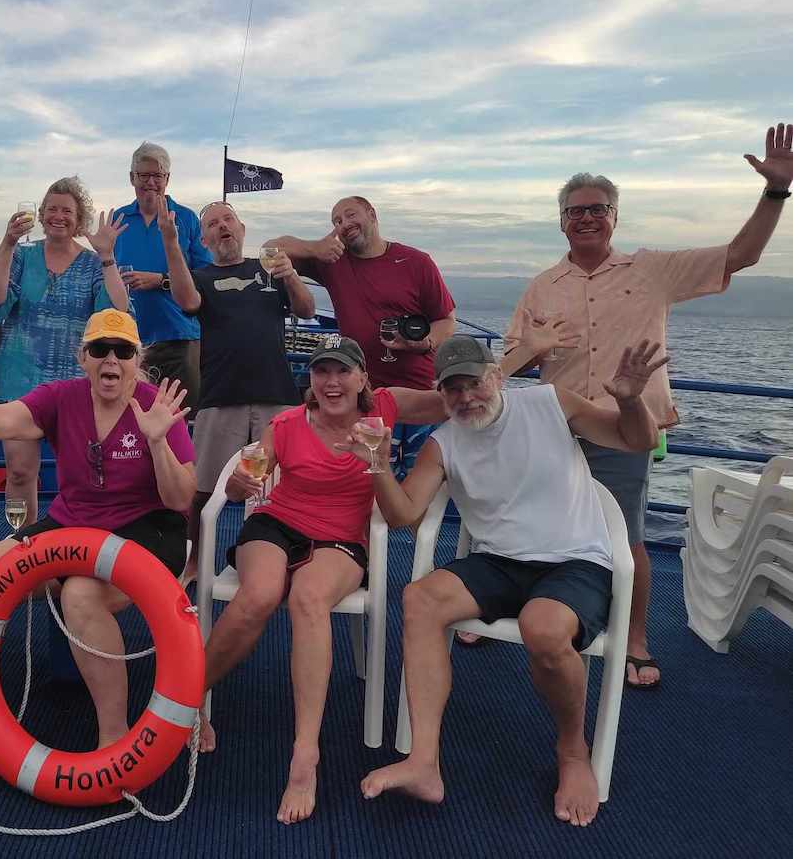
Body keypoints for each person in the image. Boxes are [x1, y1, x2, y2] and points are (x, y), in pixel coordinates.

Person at [498, 122, 792, 689]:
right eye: (576, 210)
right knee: (538, 524)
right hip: (557, 428)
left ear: (614, 217)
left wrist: (775, 190)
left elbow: (741, 254)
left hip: (623, 430)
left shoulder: (653, 269)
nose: (587, 217)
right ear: (561, 221)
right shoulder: (542, 285)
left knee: (625, 535)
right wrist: (532, 351)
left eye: (598, 209)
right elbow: (515, 362)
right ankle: (527, 613)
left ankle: (634, 639)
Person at [359, 334, 666, 827]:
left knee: (541, 628)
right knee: (419, 599)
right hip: (500, 561)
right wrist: (376, 461)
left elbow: (637, 440)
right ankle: (424, 761)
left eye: (474, 382)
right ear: (441, 392)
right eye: (452, 388)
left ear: (497, 376)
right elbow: (405, 516)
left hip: (574, 558)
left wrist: (630, 400)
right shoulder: (444, 442)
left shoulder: (549, 404)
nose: (466, 397)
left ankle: (572, 751)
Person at [0, 309, 195, 793]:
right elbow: (2, 418)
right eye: (100, 350)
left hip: (145, 529)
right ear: (83, 358)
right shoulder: (61, 398)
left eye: (123, 351)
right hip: (71, 524)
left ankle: (112, 740)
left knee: (80, 594)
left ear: (138, 360)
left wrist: (157, 442)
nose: (110, 360)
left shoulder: (155, 407)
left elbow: (181, 499)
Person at [199, 335, 446, 825]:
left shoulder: (386, 411)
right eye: (321, 372)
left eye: (342, 372)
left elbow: (455, 399)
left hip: (340, 538)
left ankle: (304, 753)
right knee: (258, 596)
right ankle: (187, 700)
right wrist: (239, 484)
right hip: (276, 524)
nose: (332, 382)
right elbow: (246, 476)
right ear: (310, 381)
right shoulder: (288, 423)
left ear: (361, 378)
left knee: (309, 600)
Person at [164, 200, 316, 583]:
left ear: (242, 228)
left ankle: (282, 559)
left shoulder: (268, 269)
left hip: (277, 395)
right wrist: (170, 242)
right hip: (221, 395)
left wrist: (292, 275)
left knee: (284, 488)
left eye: (228, 219)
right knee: (203, 488)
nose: (222, 227)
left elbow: (308, 310)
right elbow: (186, 301)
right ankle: (196, 562)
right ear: (205, 238)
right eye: (213, 224)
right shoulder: (199, 275)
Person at [0, 176, 129, 518]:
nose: (57, 216)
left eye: (66, 210)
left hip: (74, 386)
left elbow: (118, 312)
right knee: (18, 474)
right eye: (51, 209)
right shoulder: (21, 255)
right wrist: (7, 242)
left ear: (79, 220)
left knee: (81, 477)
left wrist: (107, 256)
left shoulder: (93, 263)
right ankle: (22, 546)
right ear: (41, 214)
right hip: (18, 383)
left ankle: (73, 549)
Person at [272, 196, 457, 389]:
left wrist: (426, 343)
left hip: (418, 388)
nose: (344, 224)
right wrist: (314, 247)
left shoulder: (417, 262)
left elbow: (446, 320)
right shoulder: (332, 262)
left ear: (372, 214)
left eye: (351, 215)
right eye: (337, 221)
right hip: (361, 392)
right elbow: (270, 248)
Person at [110, 141, 213, 404]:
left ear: (167, 179)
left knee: (182, 423)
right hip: (128, 340)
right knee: (130, 423)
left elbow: (205, 278)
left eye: (157, 175)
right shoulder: (117, 220)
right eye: (144, 175)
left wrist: (161, 281)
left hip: (179, 339)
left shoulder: (187, 219)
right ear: (131, 177)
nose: (151, 182)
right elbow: (105, 273)